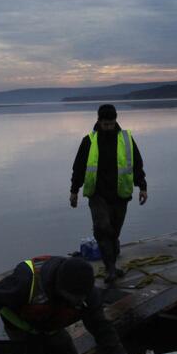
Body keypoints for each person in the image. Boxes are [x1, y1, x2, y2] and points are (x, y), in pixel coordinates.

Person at [0, 254, 138, 354]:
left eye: (78, 300)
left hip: (52, 327)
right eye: (71, 298)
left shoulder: (87, 295)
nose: (75, 302)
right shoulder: (27, 280)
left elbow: (102, 329)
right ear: (58, 287)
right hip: (21, 327)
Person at [69, 104, 146, 287]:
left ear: (116, 120)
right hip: (97, 194)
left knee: (114, 232)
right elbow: (78, 168)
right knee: (102, 228)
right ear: (99, 121)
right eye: (105, 124)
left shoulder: (126, 139)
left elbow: (137, 164)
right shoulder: (88, 141)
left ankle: (112, 261)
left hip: (120, 194)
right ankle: (110, 268)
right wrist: (74, 191)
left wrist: (142, 187)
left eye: (111, 124)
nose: (109, 127)